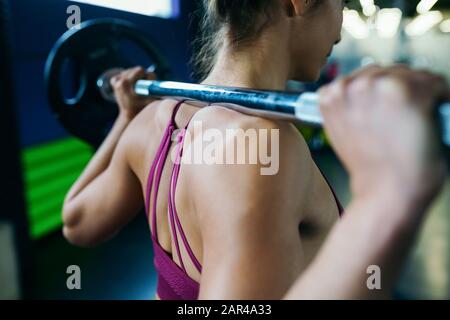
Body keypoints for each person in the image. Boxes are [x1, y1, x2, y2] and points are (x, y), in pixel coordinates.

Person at [61, 0, 449, 299]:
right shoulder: (261, 146)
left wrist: (125, 117)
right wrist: (386, 198)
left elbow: (77, 223)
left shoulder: (149, 122)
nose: (340, 31)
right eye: (342, 4)